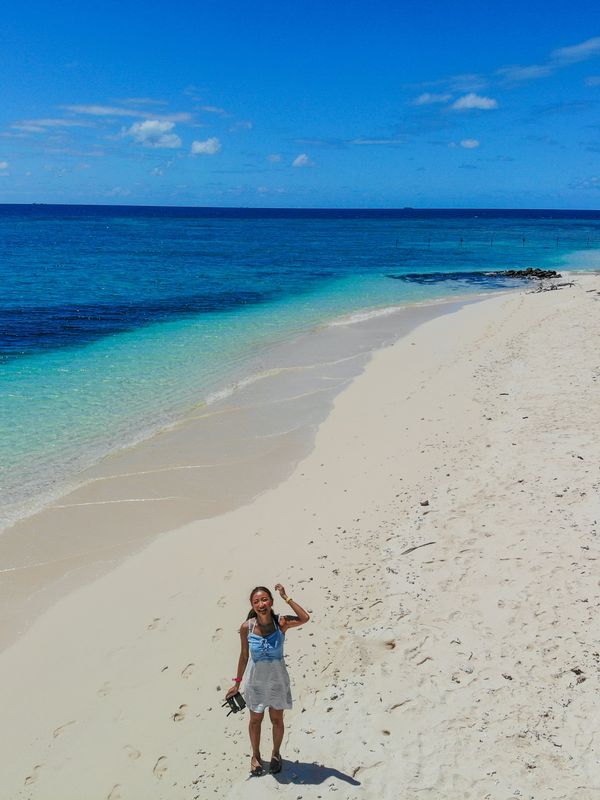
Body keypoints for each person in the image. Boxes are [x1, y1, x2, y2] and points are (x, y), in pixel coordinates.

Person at [225, 583, 310, 776]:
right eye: (256, 601)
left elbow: (305, 618)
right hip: (256, 682)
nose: (261, 604)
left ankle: (276, 754)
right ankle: (255, 756)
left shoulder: (282, 622)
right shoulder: (247, 627)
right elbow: (244, 656)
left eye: (264, 599)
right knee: (255, 720)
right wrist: (237, 683)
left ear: (271, 601)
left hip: (278, 681)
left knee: (277, 720)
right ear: (252, 605)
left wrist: (286, 597)